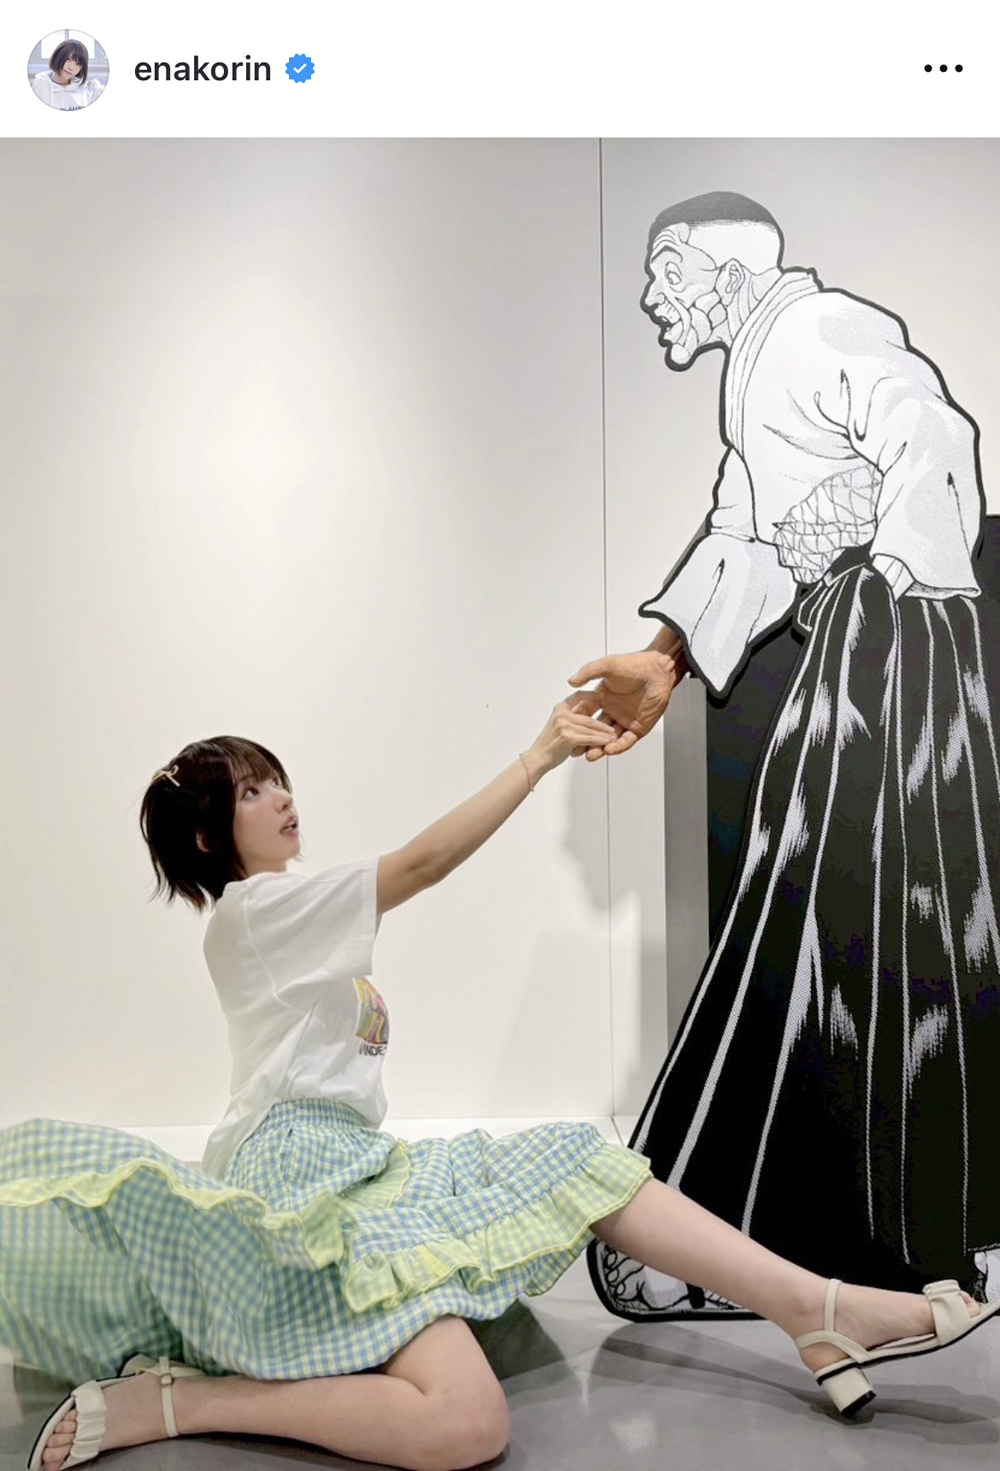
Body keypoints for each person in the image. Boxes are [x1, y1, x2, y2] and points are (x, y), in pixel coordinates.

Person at [3, 701, 997, 1471]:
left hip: (360, 1166)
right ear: (209, 838)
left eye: (275, 778)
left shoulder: (287, 911)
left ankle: (815, 1309)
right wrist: (539, 755)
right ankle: (182, 1401)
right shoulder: (255, 911)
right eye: (252, 789)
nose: (280, 795)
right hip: (304, 1183)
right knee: (466, 1424)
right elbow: (425, 862)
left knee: (577, 1156)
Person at [572, 191, 1000, 1318]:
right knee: (821, 920)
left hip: (893, 646)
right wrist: (665, 661)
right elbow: (743, 538)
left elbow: (937, 439)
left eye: (668, 272)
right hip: (859, 648)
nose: (654, 298)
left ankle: (898, 1236)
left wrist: (893, 576)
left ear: (726, 272)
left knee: (881, 918)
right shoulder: (754, 372)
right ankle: (825, 1231)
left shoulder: (816, 328)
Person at [30, 39, 104, 111]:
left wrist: (96, 88)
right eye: (68, 59)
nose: (71, 68)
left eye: (78, 64)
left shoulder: (84, 89)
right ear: (57, 57)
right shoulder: (41, 86)